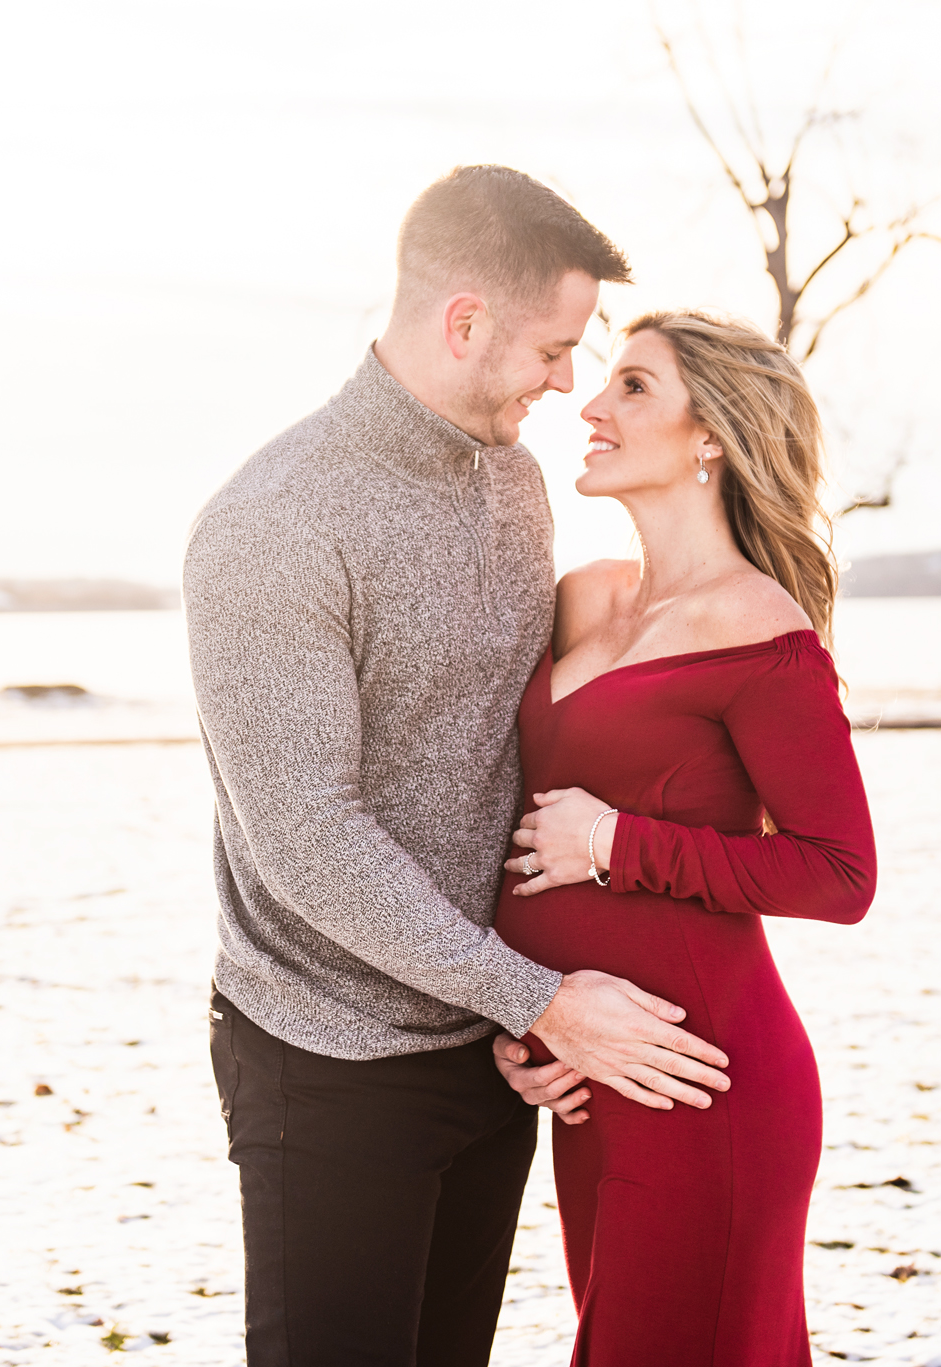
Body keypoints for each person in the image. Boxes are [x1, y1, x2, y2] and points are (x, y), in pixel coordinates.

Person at [183, 167, 733, 1367]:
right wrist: (535, 995)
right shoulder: (276, 519)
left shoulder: (515, 483)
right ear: (464, 320)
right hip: (325, 1057)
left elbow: (510, 753)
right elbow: (306, 837)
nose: (564, 382)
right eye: (551, 348)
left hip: (488, 1052)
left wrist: (513, 1006)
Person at [490, 309, 878, 1365]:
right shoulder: (583, 598)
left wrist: (620, 840)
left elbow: (839, 873)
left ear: (708, 434)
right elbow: (511, 828)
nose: (591, 404)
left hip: (703, 1079)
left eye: (631, 387)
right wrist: (523, 1022)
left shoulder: (761, 629)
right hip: (591, 1077)